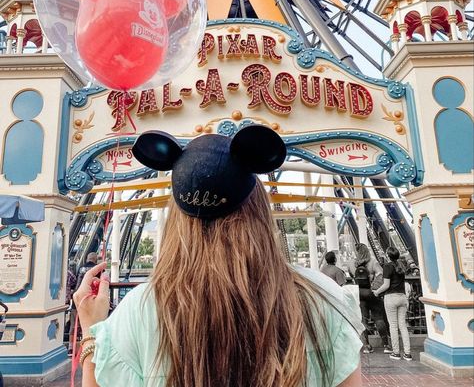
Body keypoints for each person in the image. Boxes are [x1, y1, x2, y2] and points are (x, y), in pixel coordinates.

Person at [75, 125, 363, 387]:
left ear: (176, 219)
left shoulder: (139, 309)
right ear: (259, 211)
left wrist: (91, 332)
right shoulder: (323, 299)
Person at [348, 243, 390, 354]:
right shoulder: (372, 262)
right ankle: (386, 344)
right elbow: (381, 275)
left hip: (358, 293)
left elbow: (352, 276)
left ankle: (367, 346)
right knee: (378, 318)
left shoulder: (352, 263)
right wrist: (374, 288)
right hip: (371, 292)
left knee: (363, 320)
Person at [373, 246, 412, 361]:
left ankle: (396, 352)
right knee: (403, 326)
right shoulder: (401, 266)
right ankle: (408, 353)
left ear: (388, 255)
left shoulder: (387, 266)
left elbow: (386, 285)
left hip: (391, 298)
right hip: (402, 297)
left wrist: (377, 292)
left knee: (393, 326)